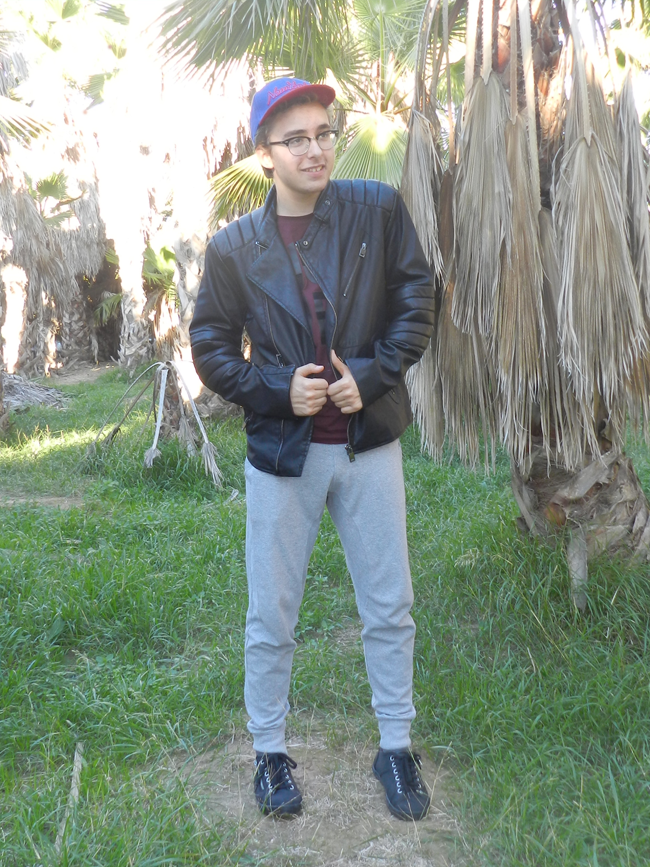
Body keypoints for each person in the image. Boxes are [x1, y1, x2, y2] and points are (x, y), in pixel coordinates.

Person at [190, 77, 435, 821]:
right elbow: (210, 344)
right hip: (283, 455)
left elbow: (417, 299)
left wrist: (373, 373)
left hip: (368, 443)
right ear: (265, 154)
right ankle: (270, 754)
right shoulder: (234, 248)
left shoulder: (378, 210)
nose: (314, 149)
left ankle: (396, 747)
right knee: (272, 614)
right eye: (295, 138)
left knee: (390, 603)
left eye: (324, 132)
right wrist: (274, 389)